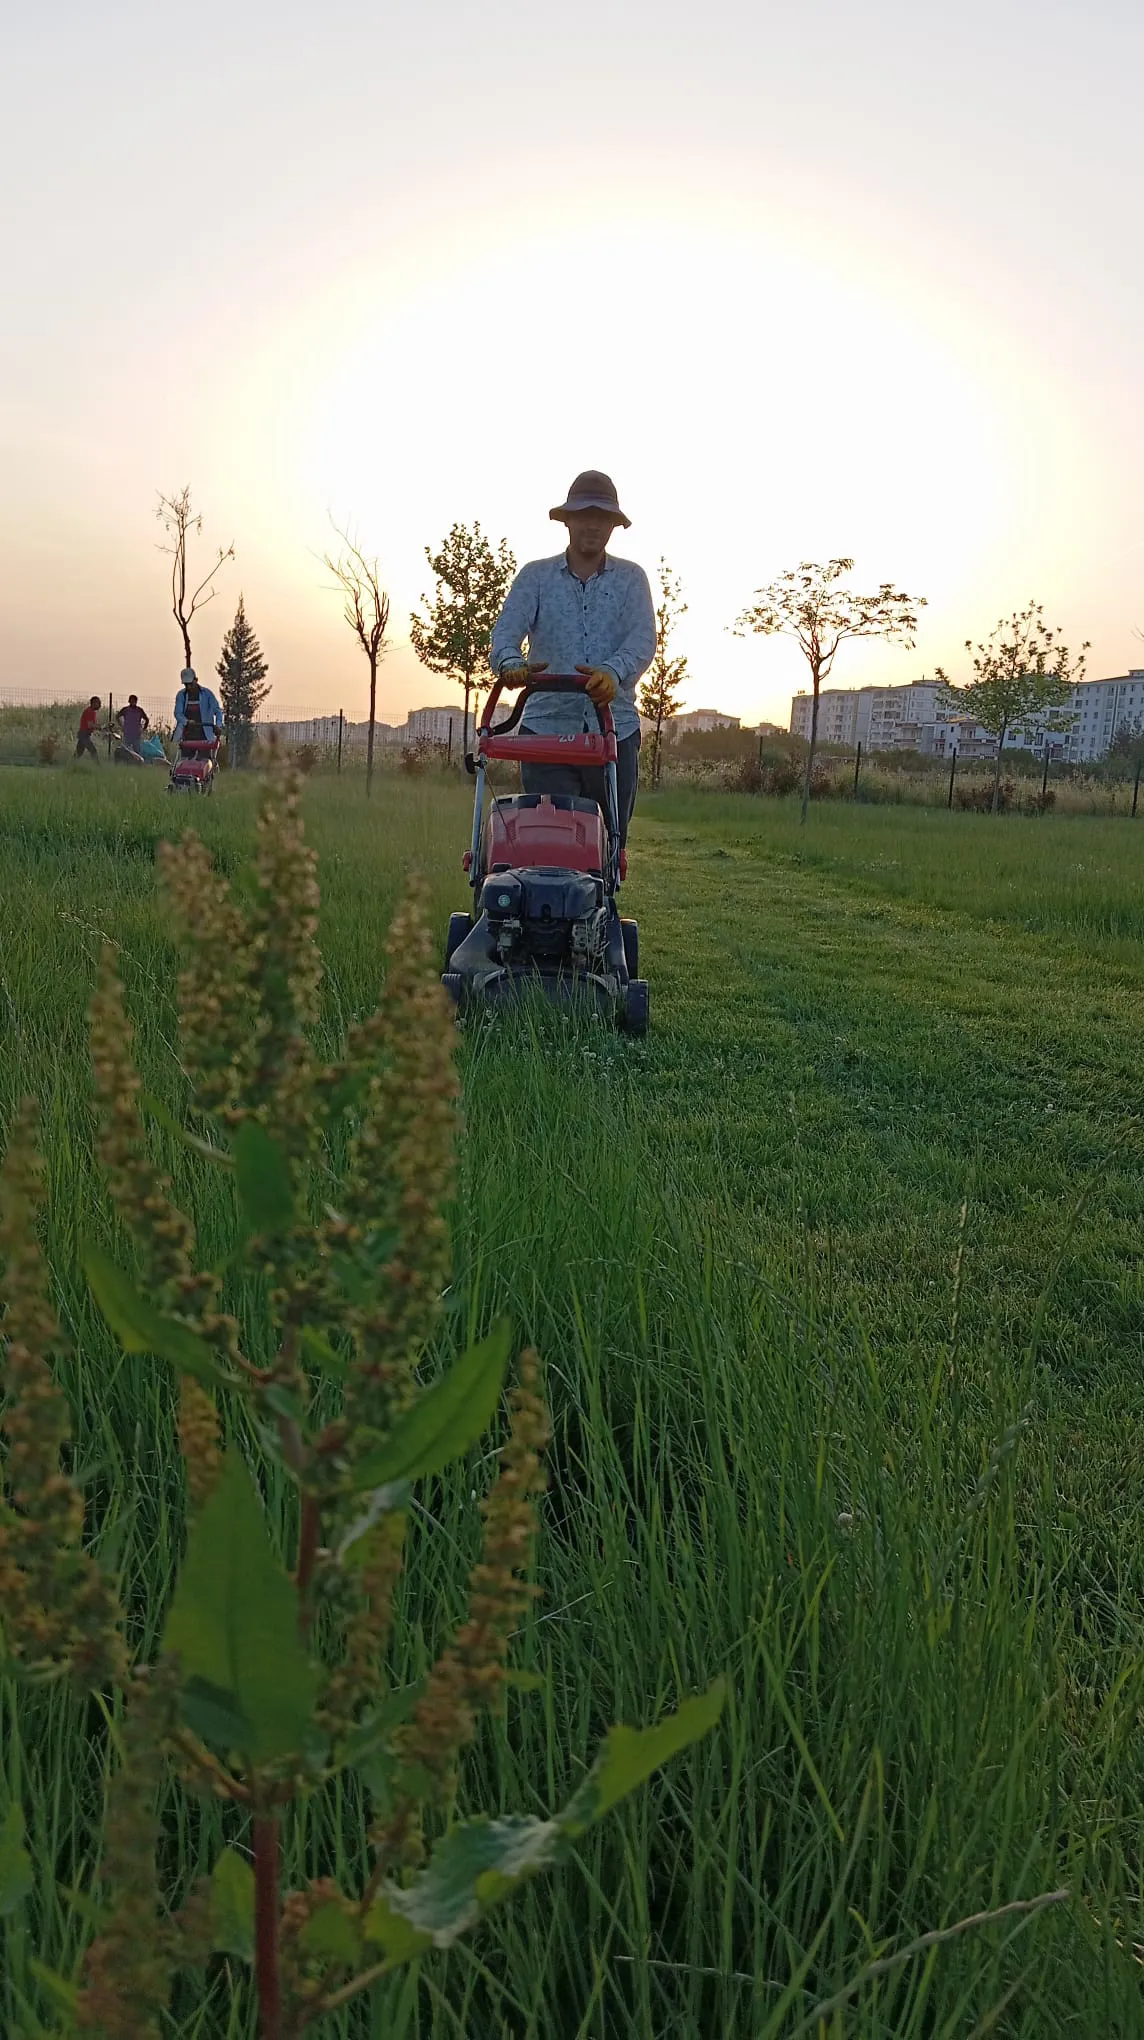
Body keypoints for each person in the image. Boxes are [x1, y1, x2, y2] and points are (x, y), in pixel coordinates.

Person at [489, 470, 655, 848]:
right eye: (584, 516)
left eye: (603, 518)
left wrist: (613, 672)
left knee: (606, 847)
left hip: (613, 731)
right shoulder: (535, 577)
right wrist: (510, 663)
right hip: (546, 733)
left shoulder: (631, 580)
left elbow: (643, 639)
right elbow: (504, 634)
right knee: (549, 842)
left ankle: (602, 905)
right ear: (568, 520)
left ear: (614, 525)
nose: (593, 526)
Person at [173, 668, 224, 749]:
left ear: (196, 680)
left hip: (205, 736)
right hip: (187, 737)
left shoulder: (207, 694)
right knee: (186, 760)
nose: (189, 687)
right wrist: (187, 722)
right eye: (186, 685)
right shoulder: (181, 695)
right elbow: (178, 713)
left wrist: (218, 726)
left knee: (205, 759)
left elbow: (218, 711)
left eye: (190, 684)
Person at [115, 693, 150, 757]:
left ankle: (138, 764)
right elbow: (117, 716)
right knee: (124, 750)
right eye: (131, 701)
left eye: (134, 701)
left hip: (136, 735)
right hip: (127, 733)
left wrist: (143, 729)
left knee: (137, 752)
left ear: (136, 702)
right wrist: (121, 725)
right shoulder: (125, 710)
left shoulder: (139, 710)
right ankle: (124, 762)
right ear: (129, 701)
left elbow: (146, 720)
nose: (132, 702)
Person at [75, 696, 102, 761]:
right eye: (98, 703)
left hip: (83, 734)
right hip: (84, 735)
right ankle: (98, 768)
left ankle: (70, 766)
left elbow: (91, 725)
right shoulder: (90, 712)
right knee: (93, 751)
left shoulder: (90, 711)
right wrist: (100, 728)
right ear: (94, 703)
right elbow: (90, 725)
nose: (100, 705)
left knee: (78, 754)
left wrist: (100, 727)